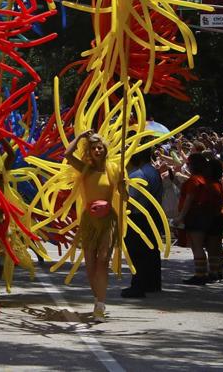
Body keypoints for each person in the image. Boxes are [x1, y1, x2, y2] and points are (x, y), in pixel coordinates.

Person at [63, 130, 124, 322]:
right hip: (89, 220)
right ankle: (98, 297)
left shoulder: (115, 170)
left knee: (103, 260)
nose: (98, 150)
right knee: (90, 264)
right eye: (94, 148)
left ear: (105, 150)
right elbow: (67, 154)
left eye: (100, 147)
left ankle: (100, 305)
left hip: (108, 220)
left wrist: (123, 187)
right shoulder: (85, 169)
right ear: (90, 151)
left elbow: (125, 196)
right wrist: (81, 136)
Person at [121, 150, 163, 298]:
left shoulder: (137, 175)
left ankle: (138, 285)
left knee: (137, 253)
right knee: (151, 252)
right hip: (151, 215)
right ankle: (152, 283)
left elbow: (130, 201)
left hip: (139, 217)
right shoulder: (152, 171)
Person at [179, 150, 223, 284]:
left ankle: (201, 275)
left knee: (197, 245)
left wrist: (181, 217)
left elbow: (189, 199)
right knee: (214, 247)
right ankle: (215, 272)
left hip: (198, 216)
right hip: (216, 216)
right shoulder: (215, 182)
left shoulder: (195, 180)